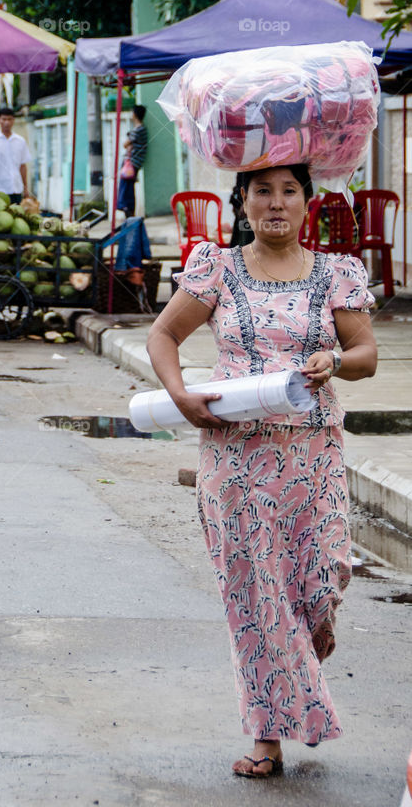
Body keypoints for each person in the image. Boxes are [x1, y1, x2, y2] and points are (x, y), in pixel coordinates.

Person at [146, 164, 377, 780]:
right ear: (242, 202)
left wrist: (336, 360)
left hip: (314, 456)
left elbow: (367, 356)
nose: (276, 203)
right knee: (257, 597)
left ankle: (294, 668)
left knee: (322, 584)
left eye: (289, 191)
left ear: (309, 202)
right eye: (262, 192)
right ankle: (268, 735)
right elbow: (164, 336)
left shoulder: (336, 272)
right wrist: (180, 397)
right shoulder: (216, 269)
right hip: (237, 458)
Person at [0, 108, 32, 205]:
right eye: (4, 119)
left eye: (9, 119)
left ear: (13, 121)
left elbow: (23, 166)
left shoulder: (20, 141)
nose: (7, 122)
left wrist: (26, 188)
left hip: (16, 189)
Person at [117, 105, 148, 217]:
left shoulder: (138, 130)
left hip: (130, 164)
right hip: (135, 163)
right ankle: (128, 211)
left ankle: (128, 212)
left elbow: (125, 144)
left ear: (134, 114)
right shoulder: (141, 129)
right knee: (128, 188)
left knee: (126, 189)